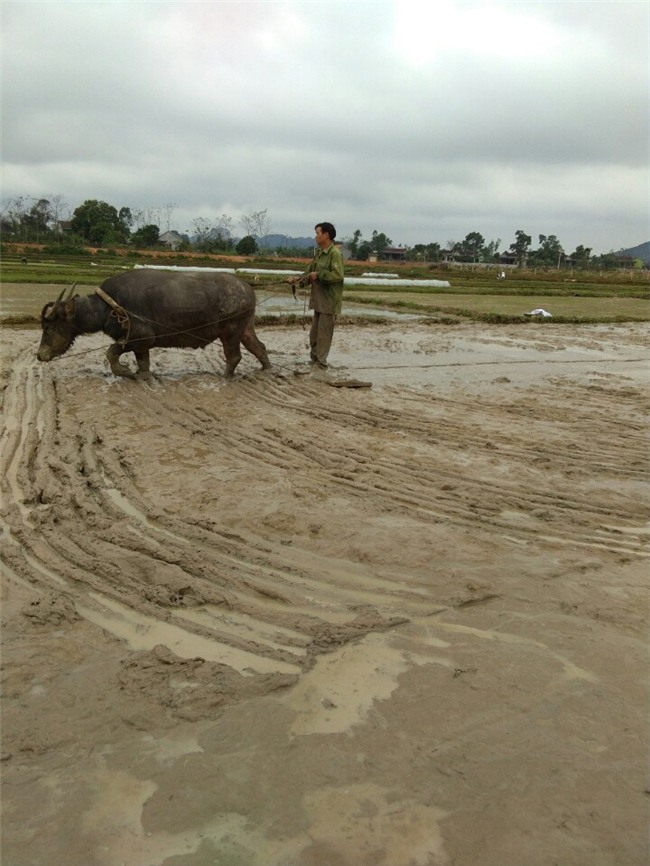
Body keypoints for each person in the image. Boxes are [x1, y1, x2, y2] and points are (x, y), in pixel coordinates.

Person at [291, 222, 344, 369]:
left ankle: (321, 364)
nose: (315, 237)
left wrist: (319, 275)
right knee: (314, 335)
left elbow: (338, 275)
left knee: (323, 336)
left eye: (318, 233)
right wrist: (297, 279)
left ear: (326, 235)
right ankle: (314, 362)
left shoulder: (334, 254)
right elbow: (309, 272)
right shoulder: (319, 254)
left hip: (329, 302)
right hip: (319, 302)